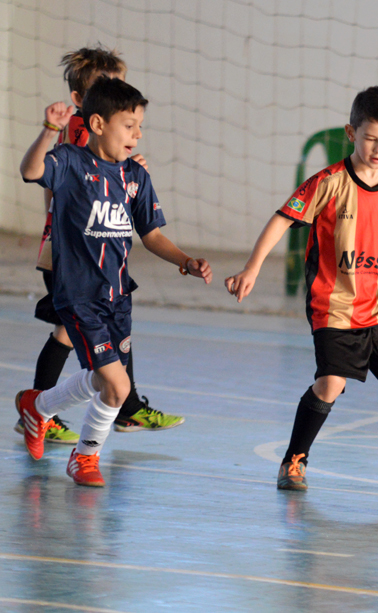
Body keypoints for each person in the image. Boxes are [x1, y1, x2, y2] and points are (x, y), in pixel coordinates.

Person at [225, 86, 378, 495]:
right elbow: (280, 220)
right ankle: (294, 460)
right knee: (330, 384)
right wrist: (252, 268)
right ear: (351, 132)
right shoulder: (328, 183)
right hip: (336, 305)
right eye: (371, 138)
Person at [16, 76, 212, 486]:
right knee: (117, 383)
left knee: (111, 387)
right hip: (79, 296)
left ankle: (38, 408)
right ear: (99, 124)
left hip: (118, 297)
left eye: (140, 126)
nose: (137, 134)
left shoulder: (135, 177)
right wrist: (50, 128)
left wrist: (186, 261)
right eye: (129, 125)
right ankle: (84, 458)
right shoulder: (69, 162)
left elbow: (152, 234)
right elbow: (30, 171)